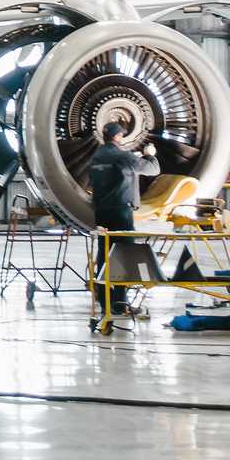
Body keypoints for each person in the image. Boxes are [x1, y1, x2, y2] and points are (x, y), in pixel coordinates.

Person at [88, 120, 160, 315]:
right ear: (118, 137)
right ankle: (120, 303)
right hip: (121, 213)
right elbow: (153, 170)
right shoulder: (122, 156)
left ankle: (105, 302)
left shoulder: (96, 157)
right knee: (123, 256)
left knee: (104, 256)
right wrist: (150, 155)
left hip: (101, 213)